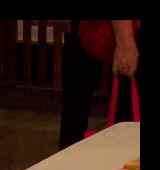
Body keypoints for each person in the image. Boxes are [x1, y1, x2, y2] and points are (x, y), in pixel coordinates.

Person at [59, 20, 141, 150]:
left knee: (74, 122)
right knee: (126, 129)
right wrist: (125, 40)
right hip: (119, 33)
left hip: (89, 33)